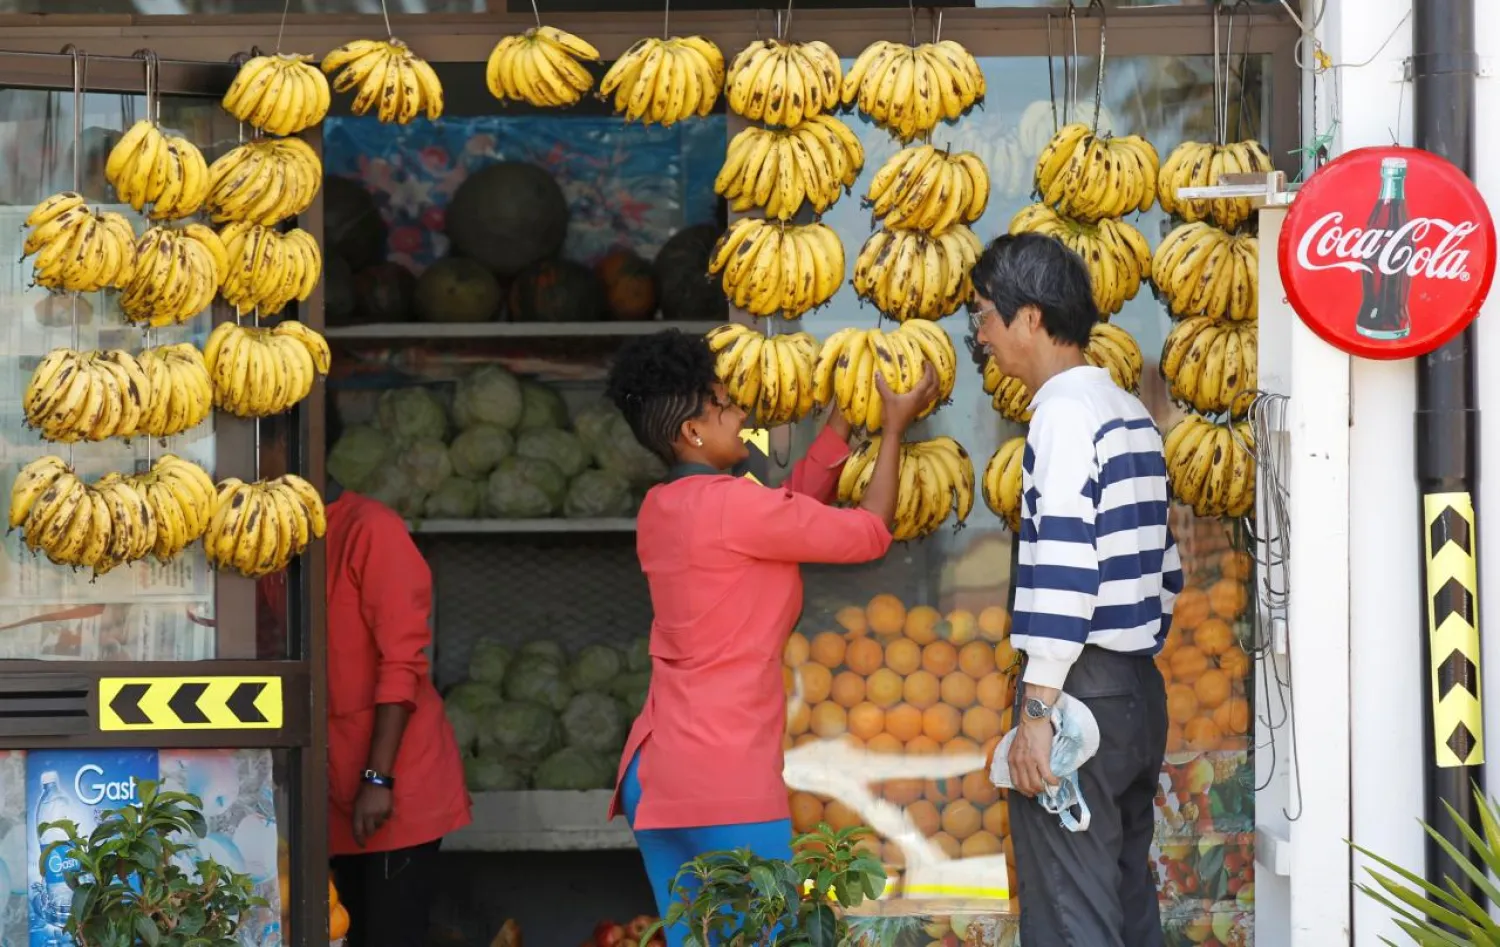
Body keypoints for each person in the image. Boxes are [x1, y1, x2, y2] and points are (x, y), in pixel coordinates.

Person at [602, 328, 937, 943]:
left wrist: (840, 425)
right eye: (723, 407)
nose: (742, 414)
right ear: (692, 432)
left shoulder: (662, 508)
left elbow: (785, 511)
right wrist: (893, 429)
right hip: (722, 773)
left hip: (657, 771)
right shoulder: (735, 508)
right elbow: (868, 532)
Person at [970, 233, 1182, 947]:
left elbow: (1063, 571)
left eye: (984, 317)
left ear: (1029, 317)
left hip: (1080, 697)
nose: (982, 339)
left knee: (1071, 919)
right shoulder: (1130, 413)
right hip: (1134, 693)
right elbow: (1168, 568)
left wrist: (1039, 711)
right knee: (1126, 906)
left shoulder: (1060, 416)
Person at [323, 410, 472, 947]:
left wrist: (377, 779)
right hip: (326, 787)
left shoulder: (370, 529)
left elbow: (402, 663)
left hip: (391, 788)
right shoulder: (274, 537)